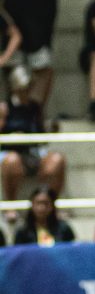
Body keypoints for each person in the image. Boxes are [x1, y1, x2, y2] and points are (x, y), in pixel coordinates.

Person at [0, 65, 66, 206]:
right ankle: (10, 206)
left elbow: (41, 131)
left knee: (57, 160)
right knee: (12, 161)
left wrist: (50, 128)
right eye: (23, 88)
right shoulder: (4, 108)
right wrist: (12, 136)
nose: (27, 91)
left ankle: (50, 205)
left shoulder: (35, 106)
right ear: (14, 89)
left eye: (29, 87)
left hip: (34, 152)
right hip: (11, 152)